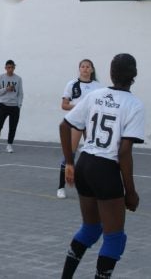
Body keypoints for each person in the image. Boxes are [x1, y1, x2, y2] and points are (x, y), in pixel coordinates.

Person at [59, 53, 144, 279]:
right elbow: (124, 152)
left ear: (111, 73)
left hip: (85, 163)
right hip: (105, 168)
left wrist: (69, 161)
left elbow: (64, 126)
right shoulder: (134, 105)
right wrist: (131, 192)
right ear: (134, 75)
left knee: (91, 228)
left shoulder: (96, 95)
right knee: (115, 238)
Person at [57, 59, 102, 199]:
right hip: (76, 121)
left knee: (94, 153)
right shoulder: (72, 84)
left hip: (91, 123)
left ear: (92, 70)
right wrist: (79, 107)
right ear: (79, 69)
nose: (85, 69)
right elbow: (64, 105)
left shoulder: (98, 87)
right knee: (70, 153)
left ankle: (93, 186)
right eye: (82, 66)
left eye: (88, 66)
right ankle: (61, 187)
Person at [0, 59, 24, 153]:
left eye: (12, 67)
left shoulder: (18, 79)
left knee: (12, 127)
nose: (10, 69)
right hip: (3, 105)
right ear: (5, 68)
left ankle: (9, 145)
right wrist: (6, 89)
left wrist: (19, 105)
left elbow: (20, 93)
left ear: (14, 68)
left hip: (14, 107)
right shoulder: (1, 77)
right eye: (8, 67)